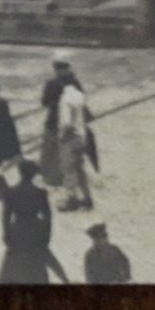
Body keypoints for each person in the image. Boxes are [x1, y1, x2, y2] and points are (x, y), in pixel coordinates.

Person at [0, 160, 69, 284]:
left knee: (10, 266)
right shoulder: (40, 193)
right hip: (36, 230)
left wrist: (7, 235)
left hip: (17, 230)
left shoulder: (11, 193)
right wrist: (46, 235)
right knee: (39, 266)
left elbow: (6, 216)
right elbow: (48, 216)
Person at [57, 68, 94, 212]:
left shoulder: (65, 98)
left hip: (70, 138)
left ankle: (71, 200)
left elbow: (66, 123)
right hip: (82, 136)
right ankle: (87, 198)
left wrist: (62, 137)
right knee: (80, 169)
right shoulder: (79, 95)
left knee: (69, 170)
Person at [39, 53, 72, 187]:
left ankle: (51, 177)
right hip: (70, 121)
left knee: (50, 149)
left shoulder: (51, 84)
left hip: (54, 120)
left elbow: (45, 102)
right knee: (65, 150)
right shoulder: (74, 83)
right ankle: (64, 177)